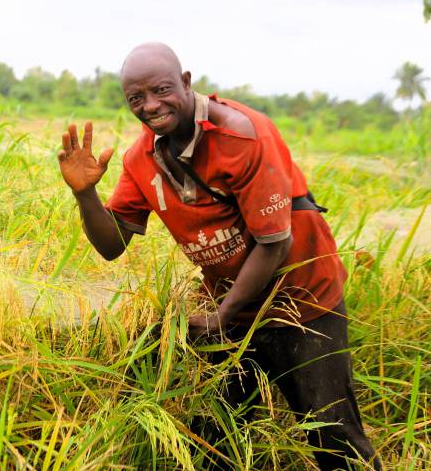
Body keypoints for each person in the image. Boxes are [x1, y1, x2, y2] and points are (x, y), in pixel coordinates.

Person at [57, 42, 379, 470]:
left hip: (302, 302)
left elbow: (274, 244)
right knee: (217, 438)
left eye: (162, 89)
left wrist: (220, 317)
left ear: (186, 82)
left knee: (332, 436)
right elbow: (112, 245)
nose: (151, 106)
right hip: (230, 308)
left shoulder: (242, 135)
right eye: (137, 98)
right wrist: (86, 194)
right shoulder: (142, 158)